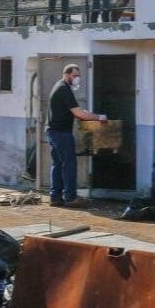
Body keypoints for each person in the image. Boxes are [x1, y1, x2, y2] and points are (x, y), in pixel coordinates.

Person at [47, 63, 107, 208]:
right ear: (66, 74)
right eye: (75, 76)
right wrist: (99, 117)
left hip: (53, 131)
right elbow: (79, 114)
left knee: (58, 164)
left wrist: (85, 113)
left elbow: (75, 110)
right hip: (61, 133)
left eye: (78, 76)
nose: (77, 79)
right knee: (69, 165)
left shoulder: (60, 86)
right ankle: (70, 197)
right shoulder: (64, 89)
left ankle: (55, 197)